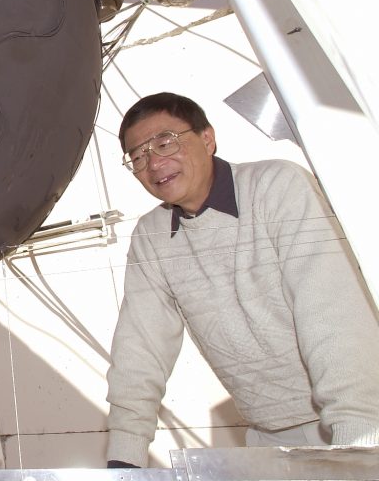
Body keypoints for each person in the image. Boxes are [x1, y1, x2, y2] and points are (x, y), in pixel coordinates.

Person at [106, 92, 379, 467]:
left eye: (165, 143)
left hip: (352, 423)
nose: (154, 163)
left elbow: (333, 314)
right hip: (267, 438)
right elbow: (140, 347)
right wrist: (125, 457)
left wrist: (358, 441)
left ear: (207, 138)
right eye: (138, 156)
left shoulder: (277, 186)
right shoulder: (150, 235)